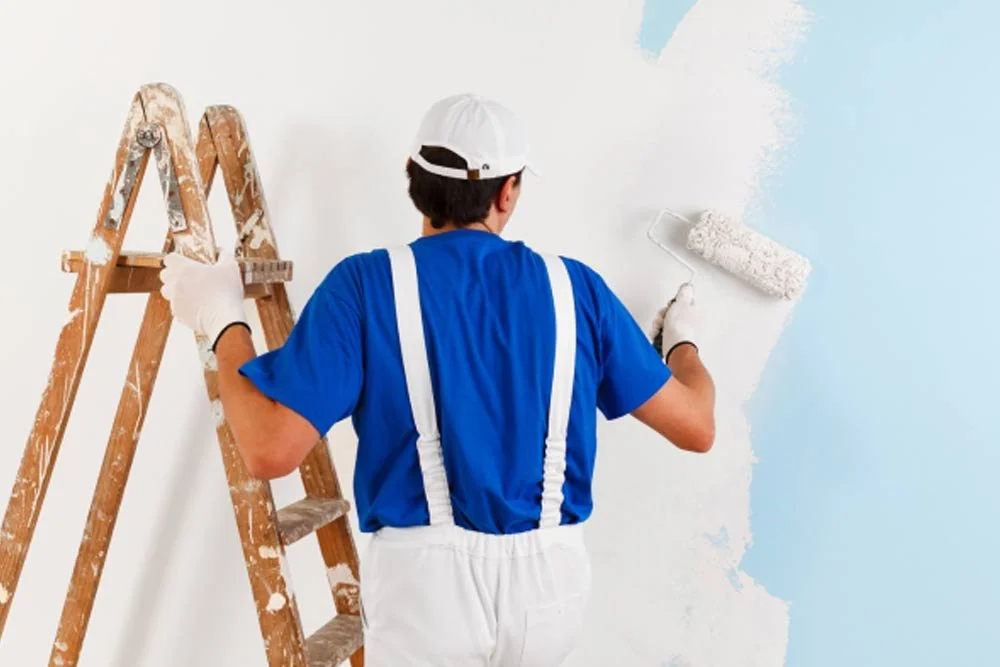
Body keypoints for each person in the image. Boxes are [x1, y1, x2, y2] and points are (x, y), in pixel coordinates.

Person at [158, 93, 716, 666]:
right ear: (507, 192)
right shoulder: (576, 290)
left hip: (424, 596)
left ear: (412, 177)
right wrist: (682, 340)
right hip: (551, 592)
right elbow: (696, 426)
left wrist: (222, 319)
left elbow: (271, 449)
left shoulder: (365, 286)